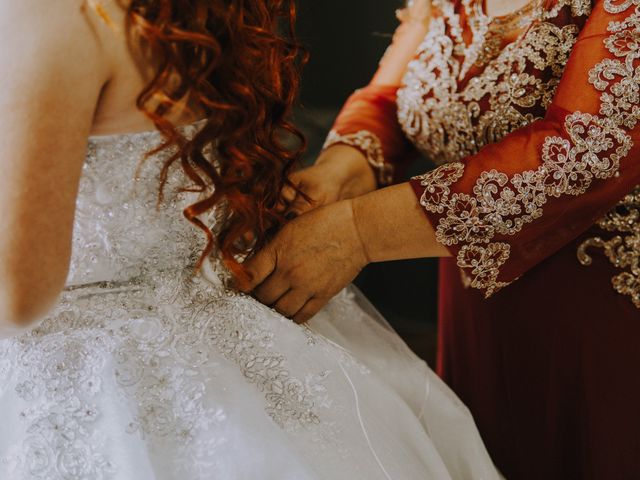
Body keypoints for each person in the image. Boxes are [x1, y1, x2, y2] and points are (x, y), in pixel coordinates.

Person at [0, 0, 503, 478]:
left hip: (97, 372)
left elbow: (15, 296)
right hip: (216, 321)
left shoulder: (56, 18)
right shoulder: (167, 15)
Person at [244, 0, 640, 478]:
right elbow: (393, 96)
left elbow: (584, 151)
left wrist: (358, 232)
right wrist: (342, 169)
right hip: (474, 304)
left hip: (599, 316)